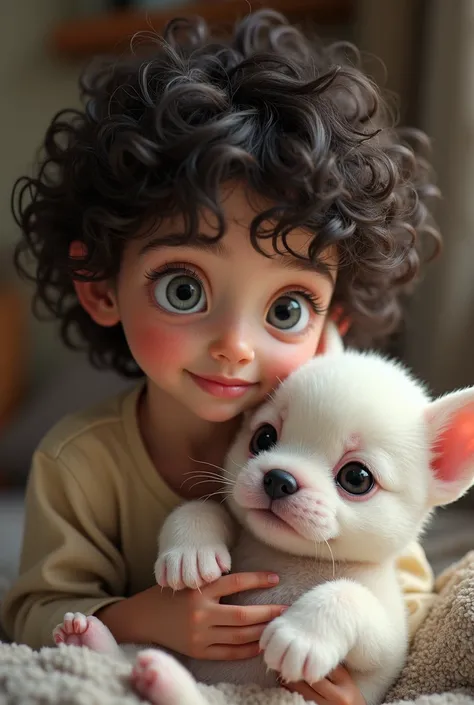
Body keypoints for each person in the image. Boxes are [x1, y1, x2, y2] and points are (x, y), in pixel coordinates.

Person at [1, 9, 439, 704]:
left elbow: (402, 586)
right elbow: (32, 613)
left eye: (286, 309)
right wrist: (148, 615)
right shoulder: (79, 463)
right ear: (100, 287)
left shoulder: (329, 440)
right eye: (184, 287)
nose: (236, 343)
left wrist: (350, 676)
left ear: (333, 323)